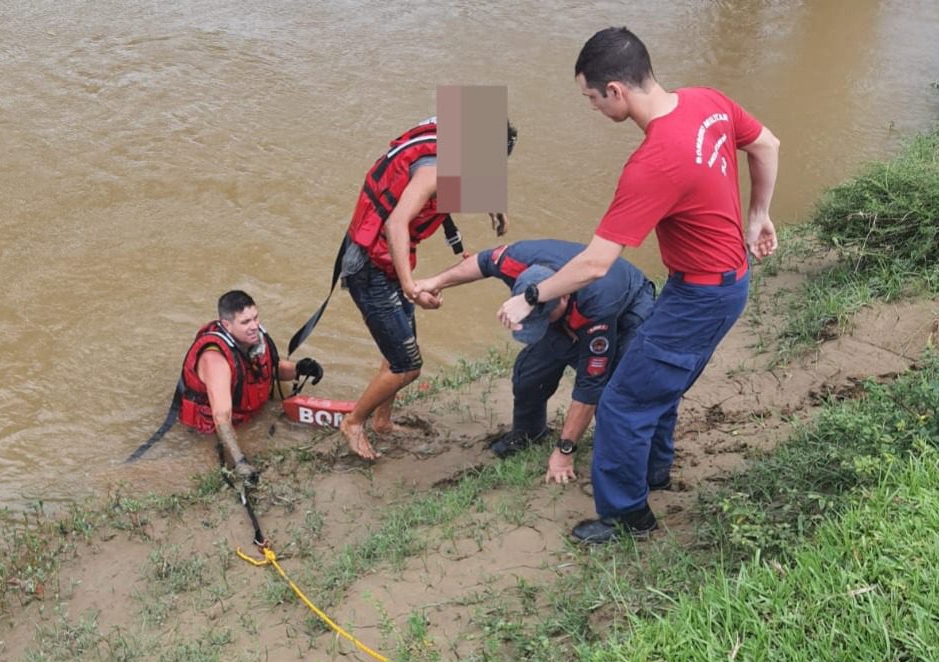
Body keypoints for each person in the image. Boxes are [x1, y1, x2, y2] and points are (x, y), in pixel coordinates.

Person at [498, 27, 779, 544]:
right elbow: (765, 144)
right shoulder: (706, 102)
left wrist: (532, 296)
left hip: (701, 297)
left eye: (590, 97)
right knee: (658, 383)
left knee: (623, 400)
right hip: (720, 282)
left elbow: (595, 264)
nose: (591, 107)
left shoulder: (654, 163)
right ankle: (653, 473)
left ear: (617, 92)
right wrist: (758, 215)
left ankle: (629, 517)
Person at [338, 117, 516, 462]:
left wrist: (496, 205)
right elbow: (396, 222)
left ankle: (383, 422)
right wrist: (409, 286)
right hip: (370, 268)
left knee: (397, 348)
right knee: (407, 365)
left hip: (388, 262)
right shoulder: (433, 173)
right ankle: (353, 422)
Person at [415, 238, 655, 481]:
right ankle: (530, 432)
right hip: (567, 310)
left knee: (618, 391)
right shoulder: (517, 259)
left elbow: (590, 386)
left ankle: (634, 464)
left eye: (544, 320)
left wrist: (564, 451)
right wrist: (435, 282)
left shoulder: (597, 304)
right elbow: (481, 262)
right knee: (529, 375)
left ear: (562, 298)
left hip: (628, 306)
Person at [179, 290, 322, 487]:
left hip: (250, 415)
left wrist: (299, 369)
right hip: (208, 431)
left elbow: (268, 369)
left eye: (255, 318)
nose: (254, 326)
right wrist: (240, 462)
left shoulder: (251, 339)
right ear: (227, 325)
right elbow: (221, 417)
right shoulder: (216, 361)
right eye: (245, 322)